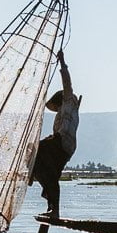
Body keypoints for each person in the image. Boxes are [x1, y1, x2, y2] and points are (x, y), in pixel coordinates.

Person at [30, 49, 81, 221]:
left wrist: (62, 62)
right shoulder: (65, 113)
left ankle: (54, 209)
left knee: (36, 149)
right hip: (65, 145)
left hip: (63, 142)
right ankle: (52, 208)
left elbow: (67, 83)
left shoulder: (68, 102)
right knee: (48, 172)